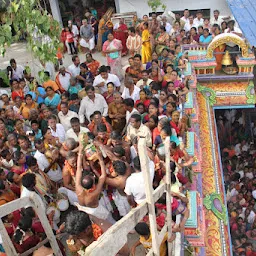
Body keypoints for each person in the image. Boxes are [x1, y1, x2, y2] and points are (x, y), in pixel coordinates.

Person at [75, 143, 116, 223]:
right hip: (97, 211)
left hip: (84, 210)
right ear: (93, 185)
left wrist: (80, 152)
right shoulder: (95, 192)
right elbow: (103, 176)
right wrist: (100, 159)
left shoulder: (78, 188)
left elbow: (78, 168)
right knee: (110, 221)